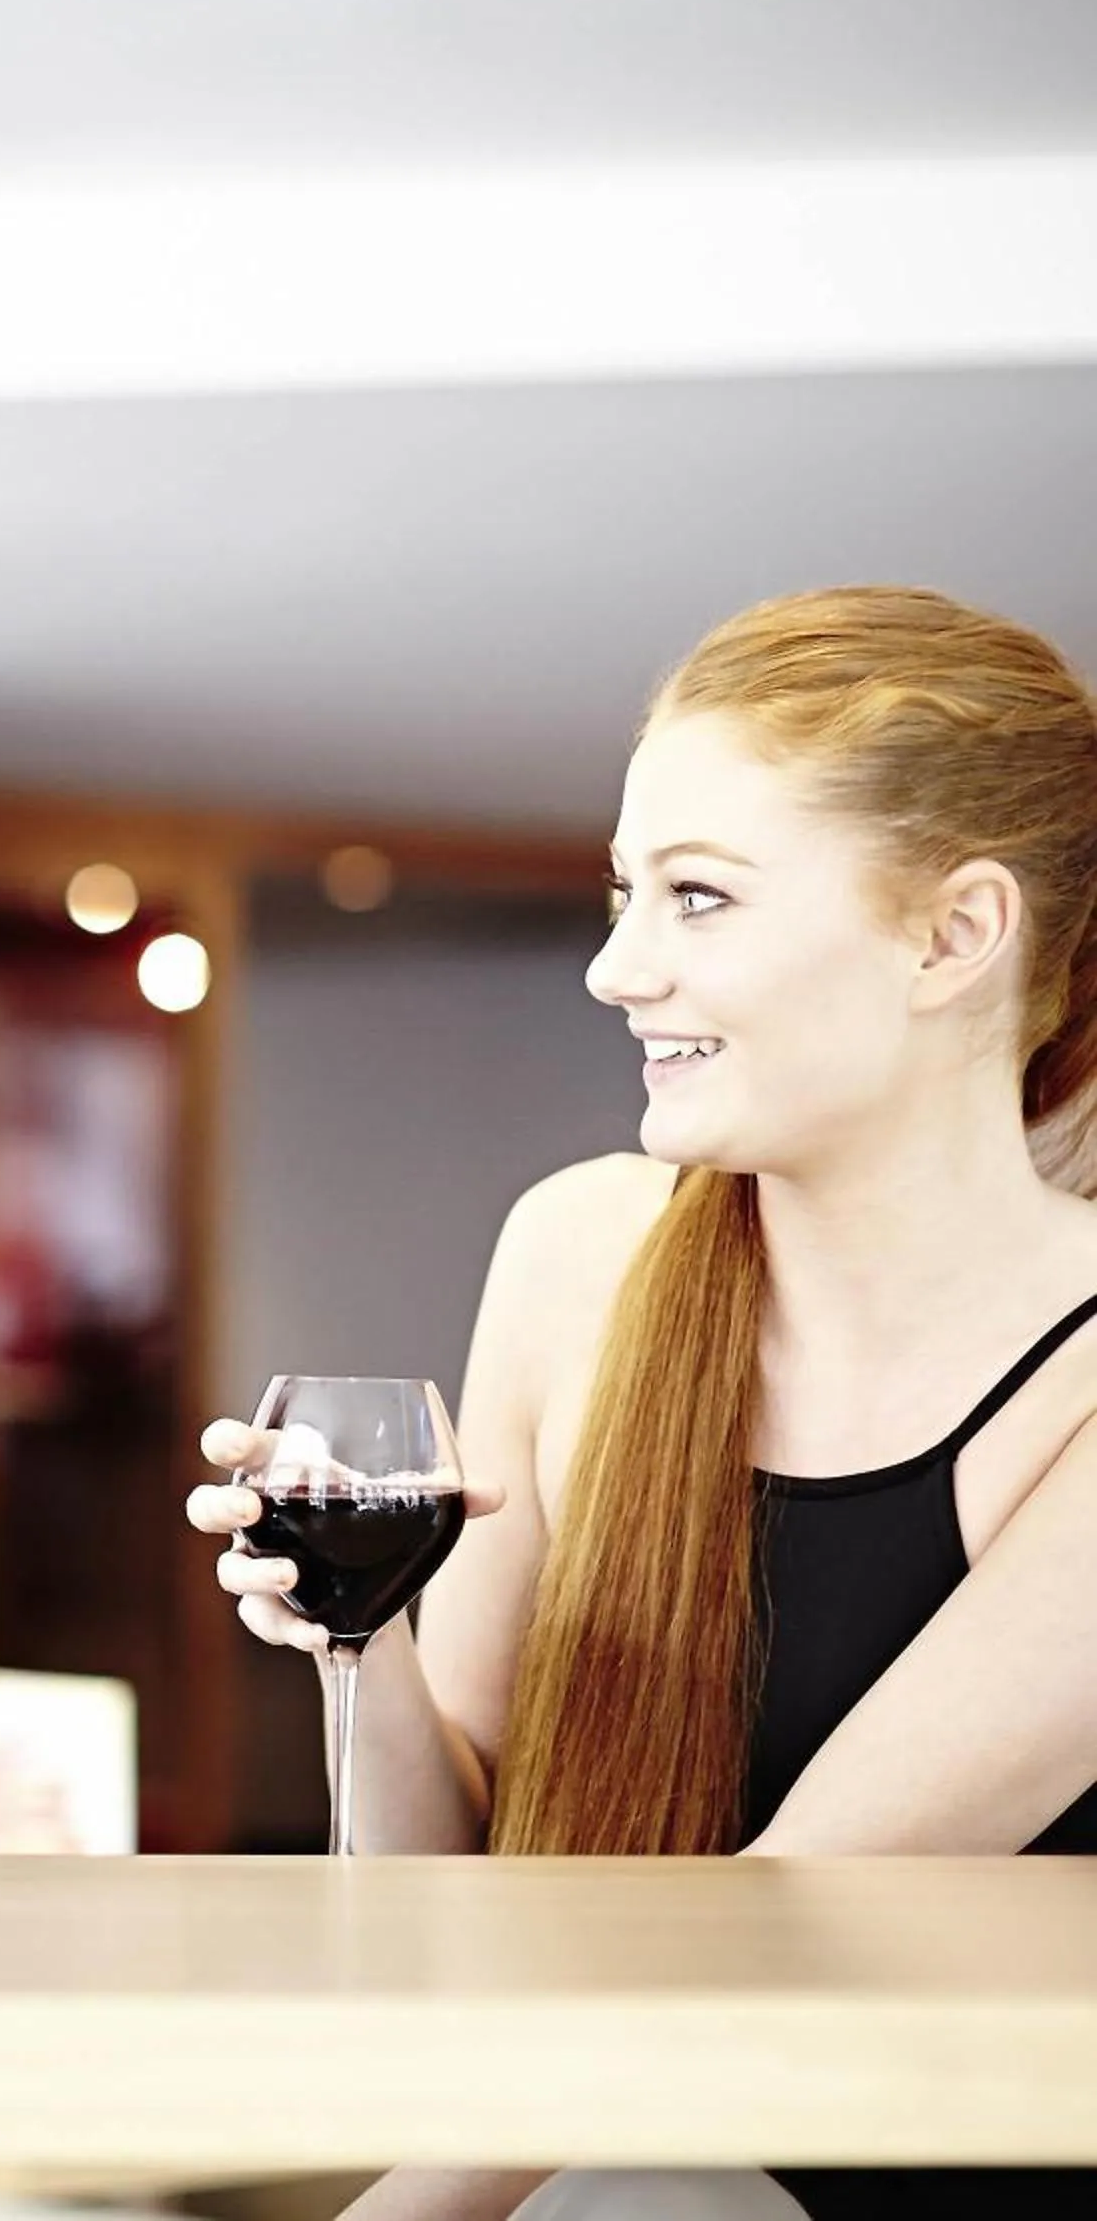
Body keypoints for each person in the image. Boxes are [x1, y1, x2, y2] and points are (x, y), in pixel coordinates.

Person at [188, 586, 1097, 2221]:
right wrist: (360, 1643)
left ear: (956, 936)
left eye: (697, 898)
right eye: (626, 894)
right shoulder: (578, 1251)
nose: (617, 967)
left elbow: (759, 1943)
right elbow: (453, 1911)